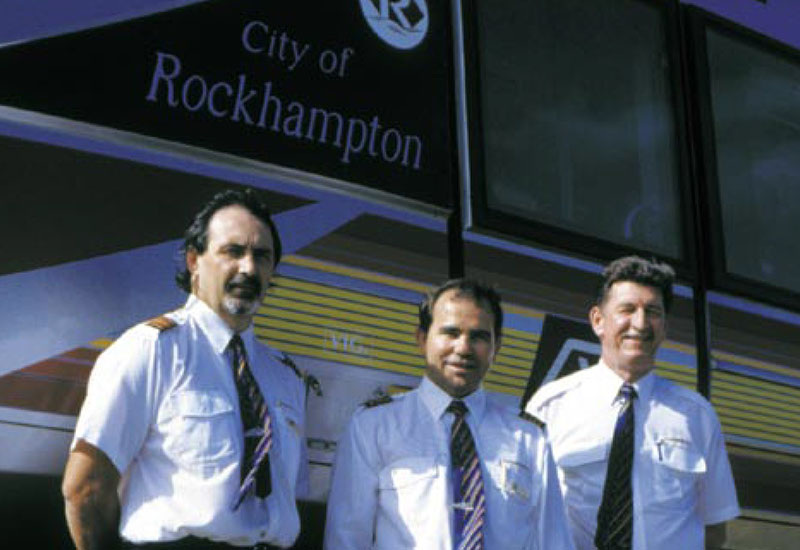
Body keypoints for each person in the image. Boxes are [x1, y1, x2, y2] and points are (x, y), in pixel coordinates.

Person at [62, 188, 307, 549]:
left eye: (262, 256)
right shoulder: (152, 349)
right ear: (194, 260)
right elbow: (85, 488)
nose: (249, 268)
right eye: (233, 252)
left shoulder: (285, 377)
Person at [324, 279, 574, 550]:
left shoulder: (529, 438)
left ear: (497, 347)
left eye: (478, 336)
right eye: (451, 333)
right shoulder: (374, 426)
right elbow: (346, 538)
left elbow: (553, 541)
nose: (464, 348)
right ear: (422, 339)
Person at [526, 256, 739, 550]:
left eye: (652, 312)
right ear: (598, 320)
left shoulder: (696, 415)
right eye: (627, 310)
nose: (640, 323)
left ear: (664, 326)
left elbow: (714, 529)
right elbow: (525, 515)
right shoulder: (550, 407)